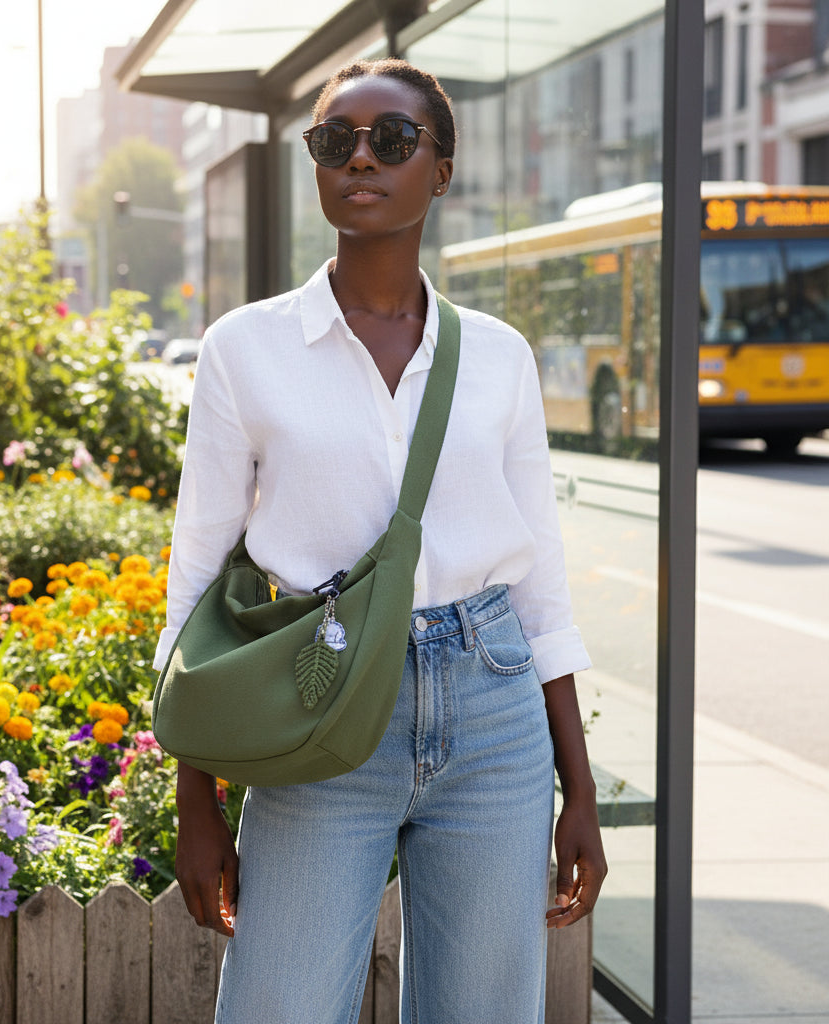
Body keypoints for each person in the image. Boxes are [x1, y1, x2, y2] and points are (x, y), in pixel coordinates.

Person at [153, 57, 607, 1024]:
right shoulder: (246, 347)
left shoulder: (498, 357)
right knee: (276, 1007)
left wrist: (580, 790)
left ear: (439, 169)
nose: (360, 157)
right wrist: (195, 798)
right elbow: (196, 572)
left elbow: (544, 585)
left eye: (391, 139)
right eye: (334, 141)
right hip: (319, 703)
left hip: (492, 709)